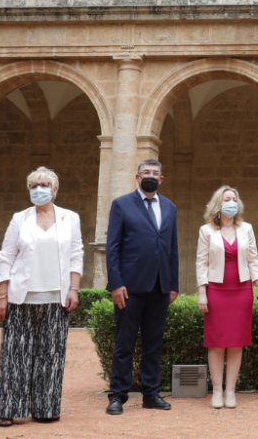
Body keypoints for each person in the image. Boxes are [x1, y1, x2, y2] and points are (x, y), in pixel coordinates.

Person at [0, 167, 84, 426]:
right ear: (28, 189)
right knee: (15, 355)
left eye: (44, 184)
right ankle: (8, 409)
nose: (39, 189)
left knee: (51, 355)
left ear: (55, 190)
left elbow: (76, 254)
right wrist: (2, 295)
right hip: (21, 297)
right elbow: (5, 256)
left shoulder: (70, 218)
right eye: (34, 185)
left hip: (56, 297)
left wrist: (74, 288)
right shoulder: (19, 218)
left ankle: (46, 407)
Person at [105, 159, 180, 415]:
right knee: (124, 343)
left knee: (153, 344)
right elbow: (112, 248)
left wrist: (173, 285)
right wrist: (115, 284)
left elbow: (172, 249)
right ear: (137, 177)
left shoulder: (170, 207)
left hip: (160, 287)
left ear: (161, 179)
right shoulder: (121, 204)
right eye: (146, 172)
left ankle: (151, 393)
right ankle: (118, 395)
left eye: (155, 173)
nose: (150, 176)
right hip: (129, 288)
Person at [195, 186, 258, 409]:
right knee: (216, 342)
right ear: (218, 204)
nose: (231, 202)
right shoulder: (206, 230)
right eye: (227, 199)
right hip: (217, 290)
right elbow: (202, 263)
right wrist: (202, 291)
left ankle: (230, 391)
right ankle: (216, 391)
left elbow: (253, 259)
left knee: (237, 342)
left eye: (234, 199)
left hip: (241, 289)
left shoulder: (246, 228)